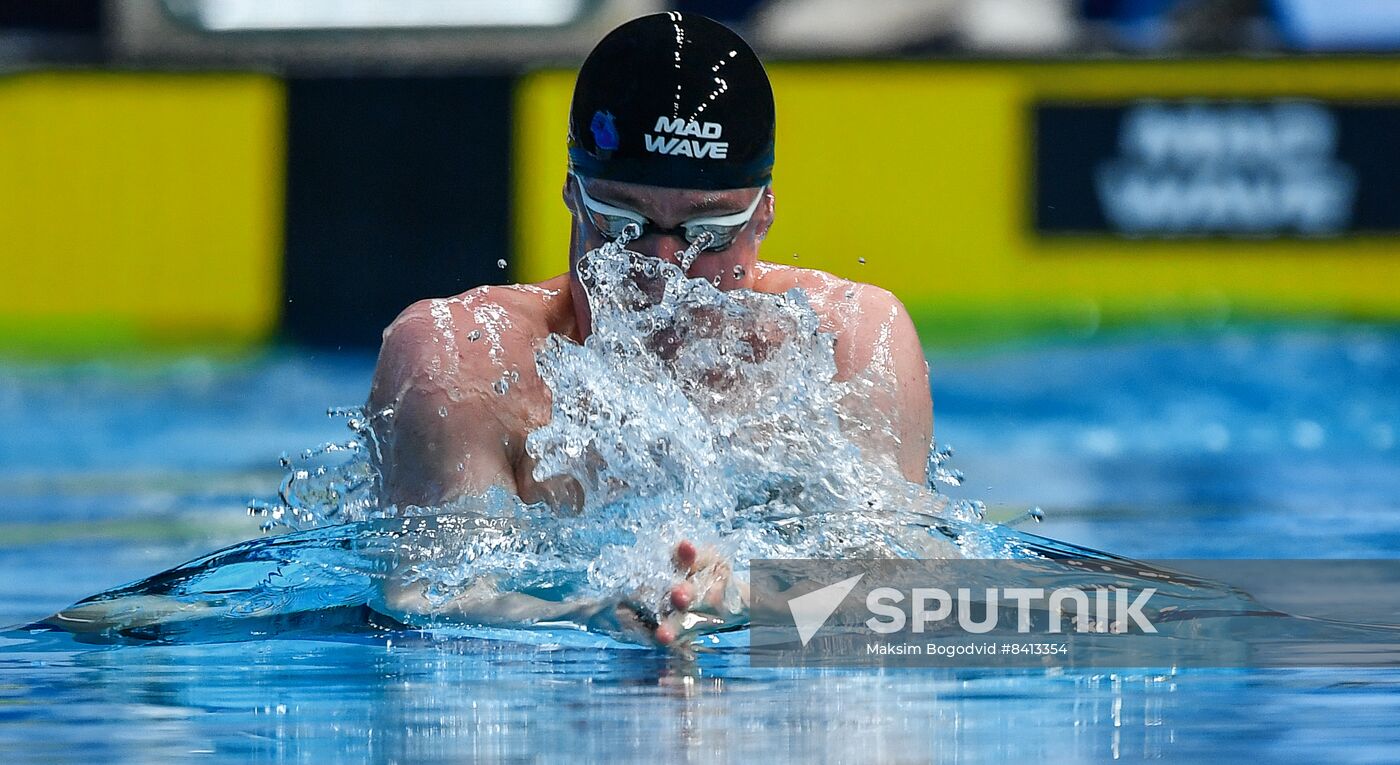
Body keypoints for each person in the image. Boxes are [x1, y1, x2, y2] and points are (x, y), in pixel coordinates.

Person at [367, 12, 932, 646]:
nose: (664, 269)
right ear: (573, 196)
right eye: (623, 225)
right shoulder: (462, 359)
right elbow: (424, 597)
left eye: (708, 234)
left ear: (764, 214)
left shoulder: (850, 343)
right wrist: (587, 613)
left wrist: (748, 598)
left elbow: (903, 590)